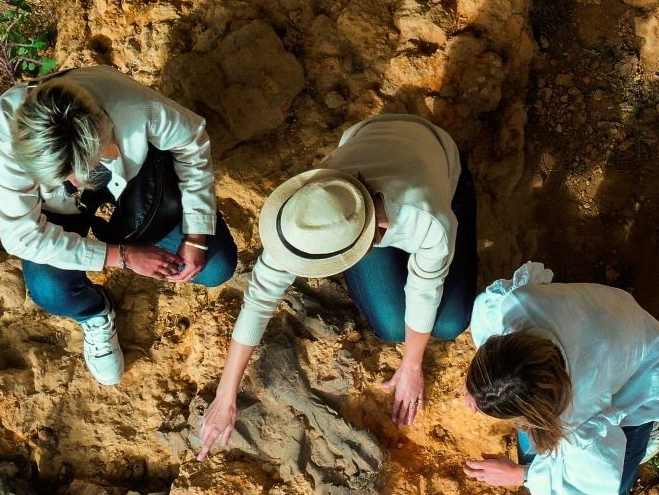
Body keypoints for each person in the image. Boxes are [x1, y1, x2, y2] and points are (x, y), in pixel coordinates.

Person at [196, 113, 478, 457]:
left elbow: (425, 288)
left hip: (441, 165)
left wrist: (412, 366)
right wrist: (225, 396)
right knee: (392, 327)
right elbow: (259, 299)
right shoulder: (308, 215)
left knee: (449, 323)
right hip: (367, 151)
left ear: (355, 246)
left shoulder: (424, 218)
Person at [0, 66, 237, 385]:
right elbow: (23, 236)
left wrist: (198, 234)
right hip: (55, 209)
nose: (75, 182)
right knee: (50, 291)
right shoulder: (8, 136)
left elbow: (192, 143)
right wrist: (124, 256)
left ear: (102, 132)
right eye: (62, 177)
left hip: (134, 180)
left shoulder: (137, 108)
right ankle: (94, 313)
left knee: (215, 267)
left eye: (81, 170)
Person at [459, 262, 659, 495]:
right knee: (536, 452)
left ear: (541, 407)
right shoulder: (516, 308)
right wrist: (479, 388)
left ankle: (648, 427)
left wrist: (521, 476)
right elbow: (489, 323)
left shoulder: (576, 412)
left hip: (644, 373)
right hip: (621, 324)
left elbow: (592, 489)